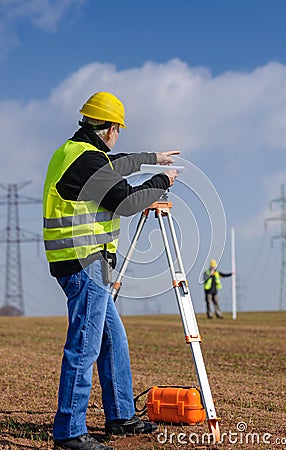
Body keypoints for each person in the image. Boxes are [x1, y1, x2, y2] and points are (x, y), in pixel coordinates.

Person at [43, 91, 179, 450]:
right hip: (84, 262)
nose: (118, 135)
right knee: (84, 346)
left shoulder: (75, 153)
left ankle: (120, 417)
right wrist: (162, 181)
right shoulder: (86, 162)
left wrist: (152, 159)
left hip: (87, 263)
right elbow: (127, 200)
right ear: (110, 129)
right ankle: (69, 432)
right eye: (118, 129)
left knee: (111, 339)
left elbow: (115, 164)